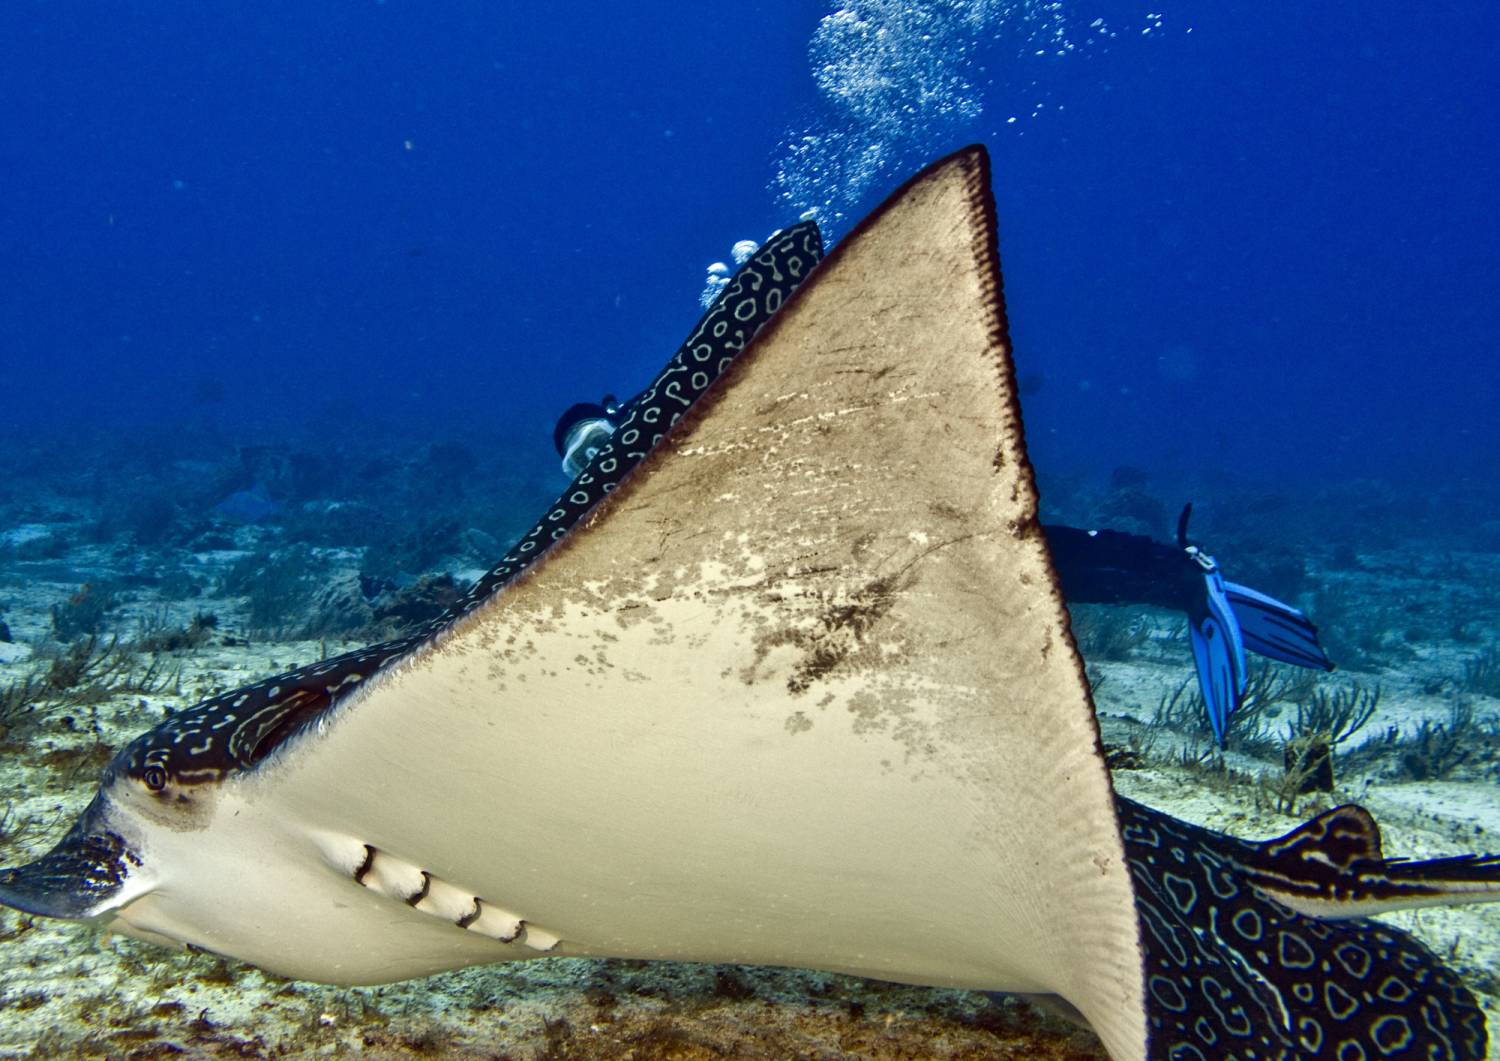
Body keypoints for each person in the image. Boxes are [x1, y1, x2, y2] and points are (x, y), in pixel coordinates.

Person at [554, 395, 1333, 746]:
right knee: (1018, 580)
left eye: (599, 445)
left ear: (623, 421)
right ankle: (1183, 583)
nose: (600, 467)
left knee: (1030, 560)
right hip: (854, 573)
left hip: (885, 519)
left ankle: (1186, 576)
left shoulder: (687, 440)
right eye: (582, 465)